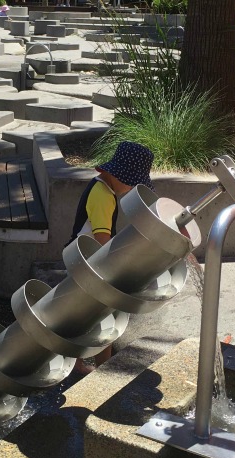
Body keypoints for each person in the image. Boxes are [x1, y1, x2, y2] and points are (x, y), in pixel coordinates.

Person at [68, 141, 154, 373]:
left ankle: (95, 363)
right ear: (121, 175)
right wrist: (118, 266)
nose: (130, 189)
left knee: (97, 317)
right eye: (132, 184)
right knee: (93, 319)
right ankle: (83, 365)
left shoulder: (101, 188)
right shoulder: (103, 196)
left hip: (84, 261)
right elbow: (102, 238)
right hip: (87, 264)